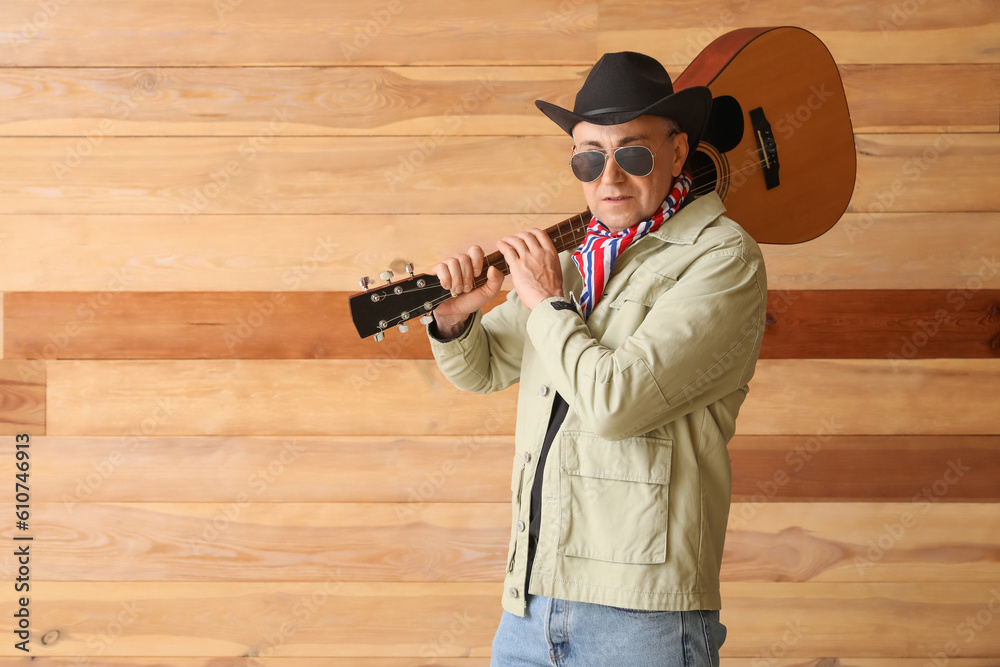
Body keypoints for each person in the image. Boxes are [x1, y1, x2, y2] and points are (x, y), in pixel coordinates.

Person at [427, 51, 767, 667]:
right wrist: (454, 320)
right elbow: (484, 370)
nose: (607, 178)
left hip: (643, 620)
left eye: (632, 154)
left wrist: (544, 300)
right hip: (530, 601)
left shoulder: (721, 259)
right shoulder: (572, 259)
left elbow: (617, 403)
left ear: (679, 152)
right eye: (588, 157)